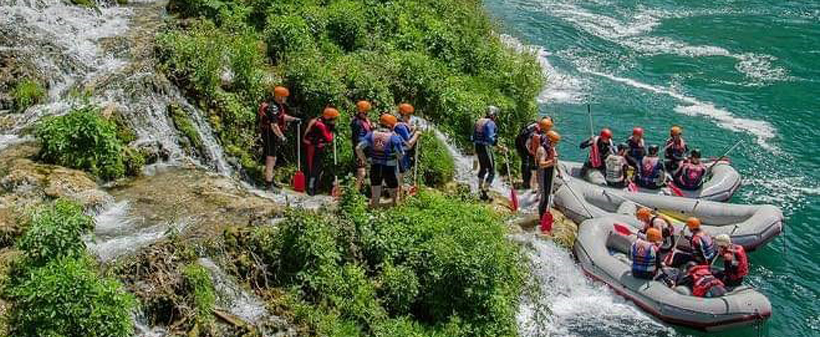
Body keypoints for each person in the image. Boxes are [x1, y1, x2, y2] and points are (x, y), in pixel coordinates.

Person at [356, 114, 405, 208]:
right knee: (395, 198)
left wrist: (365, 160)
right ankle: (396, 213)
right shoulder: (394, 137)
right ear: (391, 125)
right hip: (389, 169)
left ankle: (374, 212)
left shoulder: (371, 134)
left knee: (375, 197)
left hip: (375, 167)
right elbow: (400, 155)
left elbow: (358, 148)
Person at [258, 86, 301, 190]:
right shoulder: (273, 107)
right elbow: (274, 125)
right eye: (285, 97)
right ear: (279, 97)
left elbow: (281, 117)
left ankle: (270, 179)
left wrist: (293, 119)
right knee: (271, 158)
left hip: (272, 134)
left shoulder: (277, 105)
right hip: (269, 134)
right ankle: (268, 183)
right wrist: (282, 137)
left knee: (273, 157)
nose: (286, 98)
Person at [303, 107, 339, 196]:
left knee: (318, 168)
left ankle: (315, 187)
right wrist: (331, 130)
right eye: (334, 119)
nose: (335, 121)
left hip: (318, 148)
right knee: (313, 168)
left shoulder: (322, 122)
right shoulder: (320, 125)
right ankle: (310, 187)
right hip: (312, 148)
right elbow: (328, 139)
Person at [473, 106, 506, 200]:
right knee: (492, 171)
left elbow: (473, 137)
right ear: (493, 115)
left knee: (483, 168)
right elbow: (490, 139)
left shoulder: (479, 121)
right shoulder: (490, 123)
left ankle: (479, 189)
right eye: (496, 115)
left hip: (477, 147)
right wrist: (501, 147)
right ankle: (485, 190)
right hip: (485, 148)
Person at [516, 117, 552, 190]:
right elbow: (530, 144)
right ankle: (527, 184)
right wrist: (533, 153)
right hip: (523, 143)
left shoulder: (534, 124)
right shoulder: (537, 131)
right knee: (527, 163)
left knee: (527, 162)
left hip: (520, 140)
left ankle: (528, 182)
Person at [394, 103, 421, 194]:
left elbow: (405, 138)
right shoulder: (400, 126)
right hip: (400, 155)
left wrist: (413, 130)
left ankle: (400, 195)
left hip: (399, 154)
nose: (409, 118)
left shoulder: (398, 124)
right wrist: (416, 134)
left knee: (400, 177)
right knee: (399, 177)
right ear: (404, 115)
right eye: (409, 115)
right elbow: (408, 143)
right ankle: (398, 197)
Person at [536, 130, 560, 218]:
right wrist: (551, 162)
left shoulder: (552, 148)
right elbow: (541, 164)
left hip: (550, 171)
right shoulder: (542, 150)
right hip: (543, 173)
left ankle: (544, 212)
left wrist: (559, 171)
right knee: (544, 196)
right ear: (549, 141)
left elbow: (555, 161)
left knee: (548, 193)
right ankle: (541, 216)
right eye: (555, 143)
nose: (556, 145)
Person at [350, 100, 373, 192]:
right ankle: (355, 193)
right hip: (360, 149)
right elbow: (357, 139)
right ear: (361, 112)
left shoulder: (365, 120)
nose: (367, 114)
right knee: (361, 173)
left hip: (367, 149)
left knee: (367, 171)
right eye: (366, 112)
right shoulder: (357, 123)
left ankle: (362, 190)